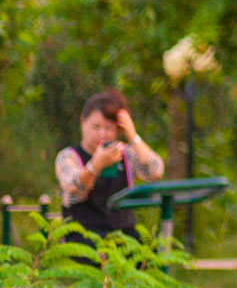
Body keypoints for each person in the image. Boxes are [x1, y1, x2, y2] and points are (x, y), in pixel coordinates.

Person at [55, 89, 165, 239]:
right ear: (83, 122)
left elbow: (155, 171)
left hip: (124, 237)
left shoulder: (125, 155)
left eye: (109, 128)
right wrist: (95, 166)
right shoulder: (68, 156)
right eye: (96, 127)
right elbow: (72, 185)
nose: (102, 134)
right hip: (84, 240)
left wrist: (133, 136)